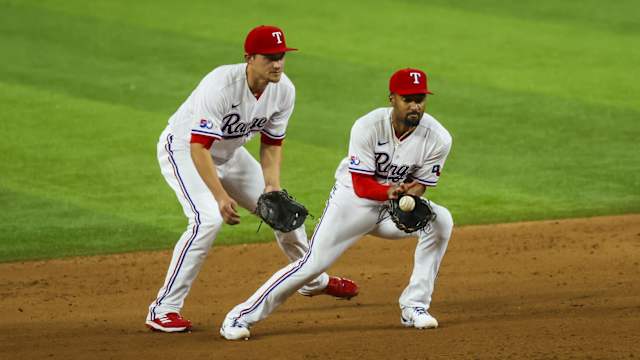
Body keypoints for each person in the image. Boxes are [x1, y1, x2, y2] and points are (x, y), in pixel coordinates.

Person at [145, 25, 358, 333]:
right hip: (185, 149)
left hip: (229, 155)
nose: (277, 64)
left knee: (283, 214)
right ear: (249, 58)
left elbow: (272, 143)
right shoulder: (220, 85)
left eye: (281, 56)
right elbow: (198, 147)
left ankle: (311, 280)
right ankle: (164, 309)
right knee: (207, 219)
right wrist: (219, 196)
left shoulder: (284, 90)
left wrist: (271, 186)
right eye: (270, 57)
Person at [220, 68, 454, 340]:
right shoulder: (368, 127)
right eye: (408, 99)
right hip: (352, 203)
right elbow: (361, 185)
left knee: (440, 221)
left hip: (391, 208)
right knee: (312, 264)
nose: (415, 106)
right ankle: (240, 316)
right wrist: (390, 192)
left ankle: (414, 306)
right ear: (392, 98)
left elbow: (421, 183)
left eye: (420, 99)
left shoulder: (439, 137)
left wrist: (409, 197)